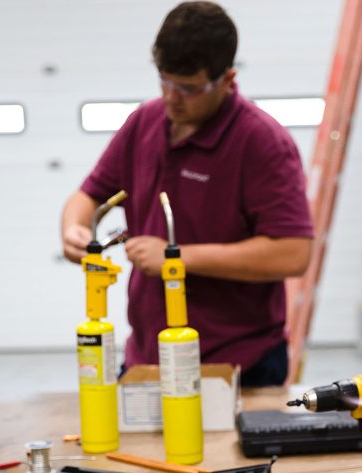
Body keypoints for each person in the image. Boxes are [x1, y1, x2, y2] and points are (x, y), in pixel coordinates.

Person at [60, 1, 313, 388]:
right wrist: (75, 229)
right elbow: (87, 196)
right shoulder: (144, 123)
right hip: (147, 360)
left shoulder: (261, 142)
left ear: (228, 79)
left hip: (237, 366)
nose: (172, 98)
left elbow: (293, 252)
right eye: (164, 80)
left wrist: (177, 258)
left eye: (189, 88)